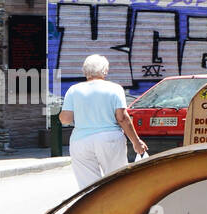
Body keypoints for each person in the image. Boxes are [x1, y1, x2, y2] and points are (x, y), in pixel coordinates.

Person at [58, 54, 147, 188]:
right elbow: (122, 118)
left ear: (85, 71)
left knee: (88, 187)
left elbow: (65, 119)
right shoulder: (114, 88)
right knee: (115, 183)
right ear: (105, 71)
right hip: (109, 139)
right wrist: (136, 142)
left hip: (81, 141)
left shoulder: (73, 90)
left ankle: (94, 208)